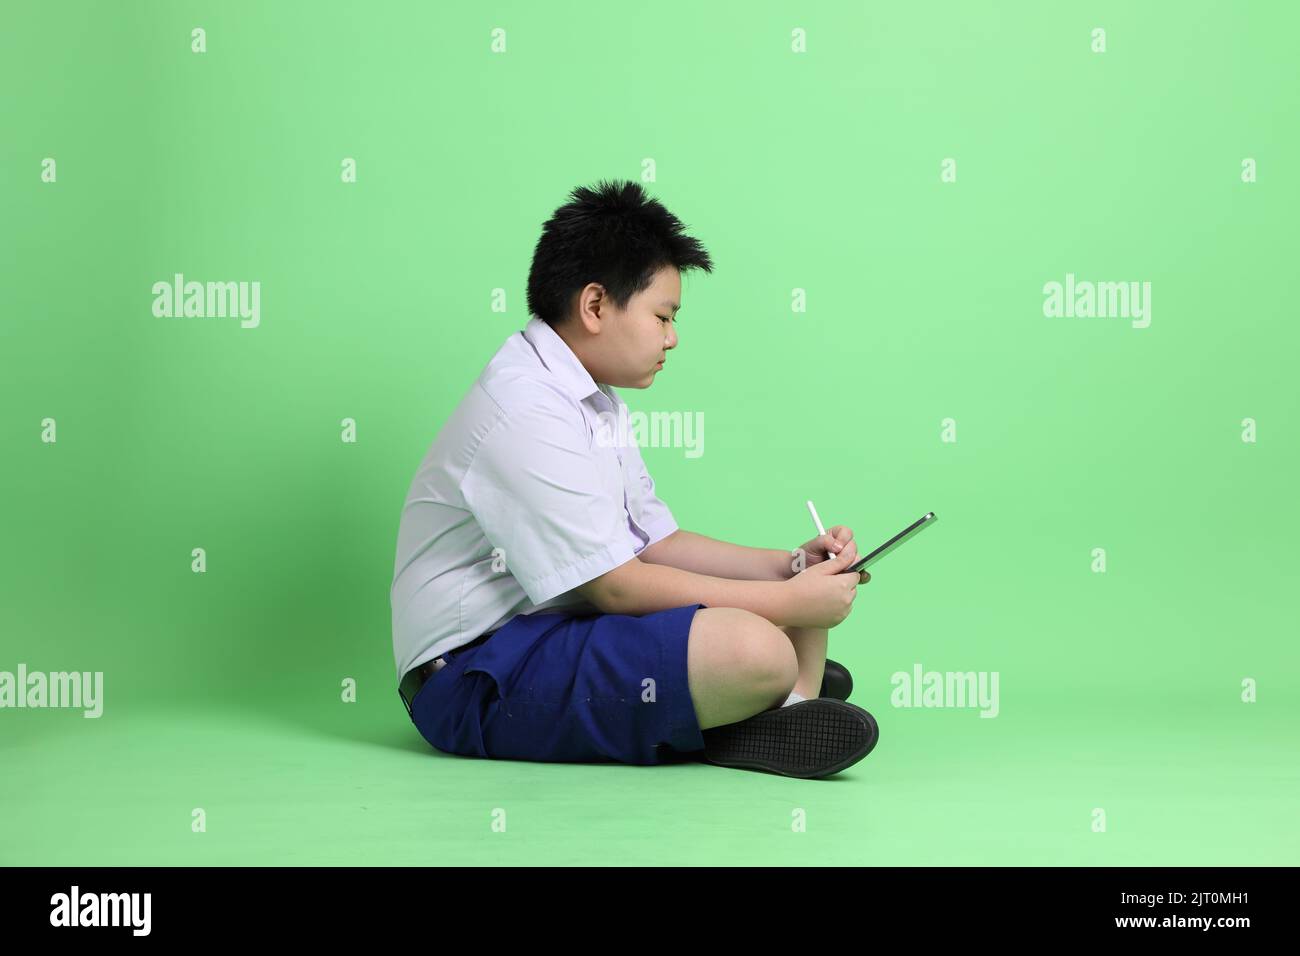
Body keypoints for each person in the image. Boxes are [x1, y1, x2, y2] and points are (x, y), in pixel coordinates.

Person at [390, 179, 878, 778]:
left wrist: (787, 567)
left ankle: (773, 699)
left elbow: (657, 544)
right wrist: (786, 602)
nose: (672, 338)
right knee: (757, 644)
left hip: (553, 634)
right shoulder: (525, 408)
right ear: (595, 306)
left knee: (770, 623)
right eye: (663, 316)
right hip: (476, 674)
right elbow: (617, 588)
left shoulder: (593, 399)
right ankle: (755, 699)